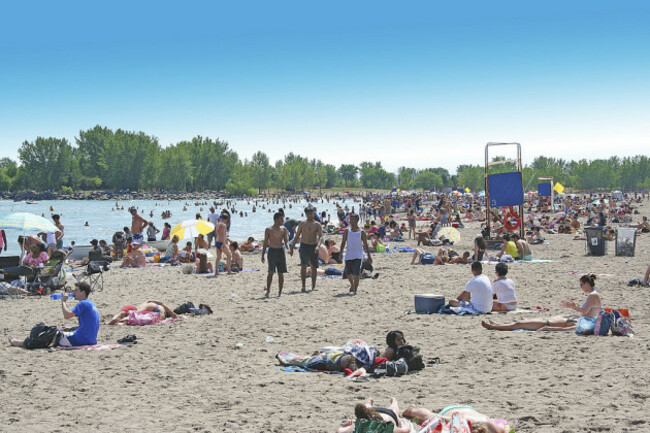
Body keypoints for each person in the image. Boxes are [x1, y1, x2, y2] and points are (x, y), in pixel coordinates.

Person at [482, 274, 602, 332]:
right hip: (564, 321)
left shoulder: (592, 296)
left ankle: (494, 326)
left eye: (581, 285)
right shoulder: (594, 295)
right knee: (522, 323)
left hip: (557, 322)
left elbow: (585, 313)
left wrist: (573, 307)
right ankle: (497, 324)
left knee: (519, 324)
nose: (581, 287)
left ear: (587, 284)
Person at [9, 282, 100, 348]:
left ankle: (21, 343)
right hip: (90, 339)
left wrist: (63, 301)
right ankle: (23, 341)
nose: (74, 292)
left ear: (83, 293)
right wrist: (71, 328)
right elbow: (89, 324)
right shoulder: (91, 304)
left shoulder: (83, 304)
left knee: (51, 334)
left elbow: (67, 315)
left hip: (80, 339)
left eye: (76, 290)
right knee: (56, 333)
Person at [290, 206, 323, 292]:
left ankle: (313, 286)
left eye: (311, 214)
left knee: (314, 267)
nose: (310, 215)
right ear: (306, 214)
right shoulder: (302, 224)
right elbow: (297, 236)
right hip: (304, 246)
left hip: (313, 246)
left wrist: (318, 246)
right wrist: (292, 248)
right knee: (304, 265)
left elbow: (320, 237)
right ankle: (303, 286)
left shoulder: (317, 224)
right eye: (308, 214)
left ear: (313, 213)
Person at [337, 398, 415, 433]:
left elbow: (339, 430)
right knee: (394, 410)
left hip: (386, 415)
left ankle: (393, 401)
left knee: (394, 409)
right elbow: (406, 430)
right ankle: (369, 402)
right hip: (383, 414)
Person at [339, 213, 372, 294]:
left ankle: (355, 290)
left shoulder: (362, 232)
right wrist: (340, 253)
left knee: (356, 273)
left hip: (358, 255)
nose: (351, 221)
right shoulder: (347, 231)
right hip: (349, 254)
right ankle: (352, 285)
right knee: (348, 273)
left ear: (357, 220)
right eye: (350, 219)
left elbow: (365, 244)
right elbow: (343, 242)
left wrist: (369, 256)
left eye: (353, 219)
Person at [262, 212, 292, 297]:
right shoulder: (269, 229)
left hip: (280, 251)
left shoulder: (284, 229)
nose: (282, 221)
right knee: (270, 272)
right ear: (276, 220)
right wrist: (263, 255)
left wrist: (288, 249)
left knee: (280, 273)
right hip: (272, 251)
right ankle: (268, 291)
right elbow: (265, 243)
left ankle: (280, 291)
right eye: (281, 219)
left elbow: (286, 241)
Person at [108, 300, 178, 325]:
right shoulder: (161, 309)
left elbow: (161, 303)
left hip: (134, 307)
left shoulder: (146, 302)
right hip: (152, 309)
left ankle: (114, 320)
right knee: (135, 316)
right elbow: (161, 304)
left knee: (122, 313)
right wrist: (171, 313)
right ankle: (121, 320)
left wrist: (171, 313)